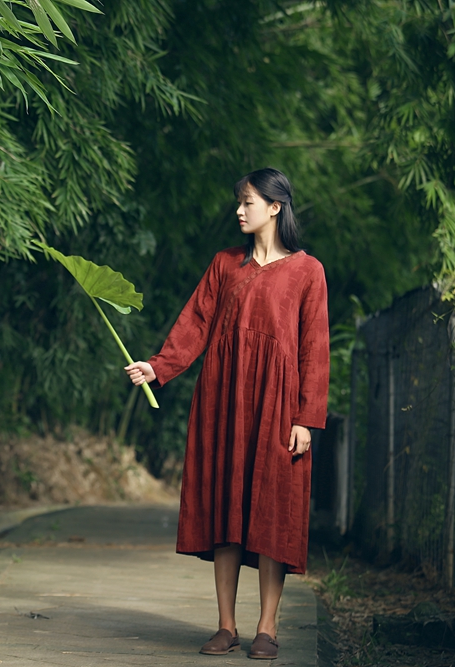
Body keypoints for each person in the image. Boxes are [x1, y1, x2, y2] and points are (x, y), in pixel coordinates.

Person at [125, 168, 329, 660]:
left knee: (272, 512)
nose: (239, 210)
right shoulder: (224, 264)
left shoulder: (308, 271)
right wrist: (158, 366)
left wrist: (306, 418)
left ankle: (267, 628)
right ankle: (226, 625)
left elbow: (314, 348)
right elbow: (195, 323)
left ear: (275, 207)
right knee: (226, 507)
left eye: (248, 201)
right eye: (239, 201)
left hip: (278, 407)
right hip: (223, 401)